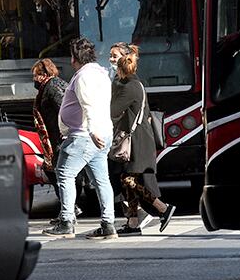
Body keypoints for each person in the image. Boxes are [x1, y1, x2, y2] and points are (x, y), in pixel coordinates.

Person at [44, 37, 116, 240]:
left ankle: (67, 221)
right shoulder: (102, 73)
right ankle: (108, 224)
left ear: (74, 58)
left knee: (64, 174)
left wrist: (92, 131)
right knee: (102, 180)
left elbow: (88, 104)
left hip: (84, 135)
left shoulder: (84, 76)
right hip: (102, 133)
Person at [109, 43, 176, 236]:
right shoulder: (125, 83)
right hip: (133, 139)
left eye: (114, 57)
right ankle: (132, 223)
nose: (111, 60)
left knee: (128, 179)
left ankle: (163, 208)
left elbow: (112, 111)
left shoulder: (130, 86)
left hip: (138, 141)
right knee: (126, 178)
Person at [31, 58, 67, 173]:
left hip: (59, 136)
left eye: (35, 75)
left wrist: (64, 131)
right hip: (56, 136)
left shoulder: (52, 87)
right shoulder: (49, 86)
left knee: (60, 171)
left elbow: (62, 109)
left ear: (44, 75)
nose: (34, 79)